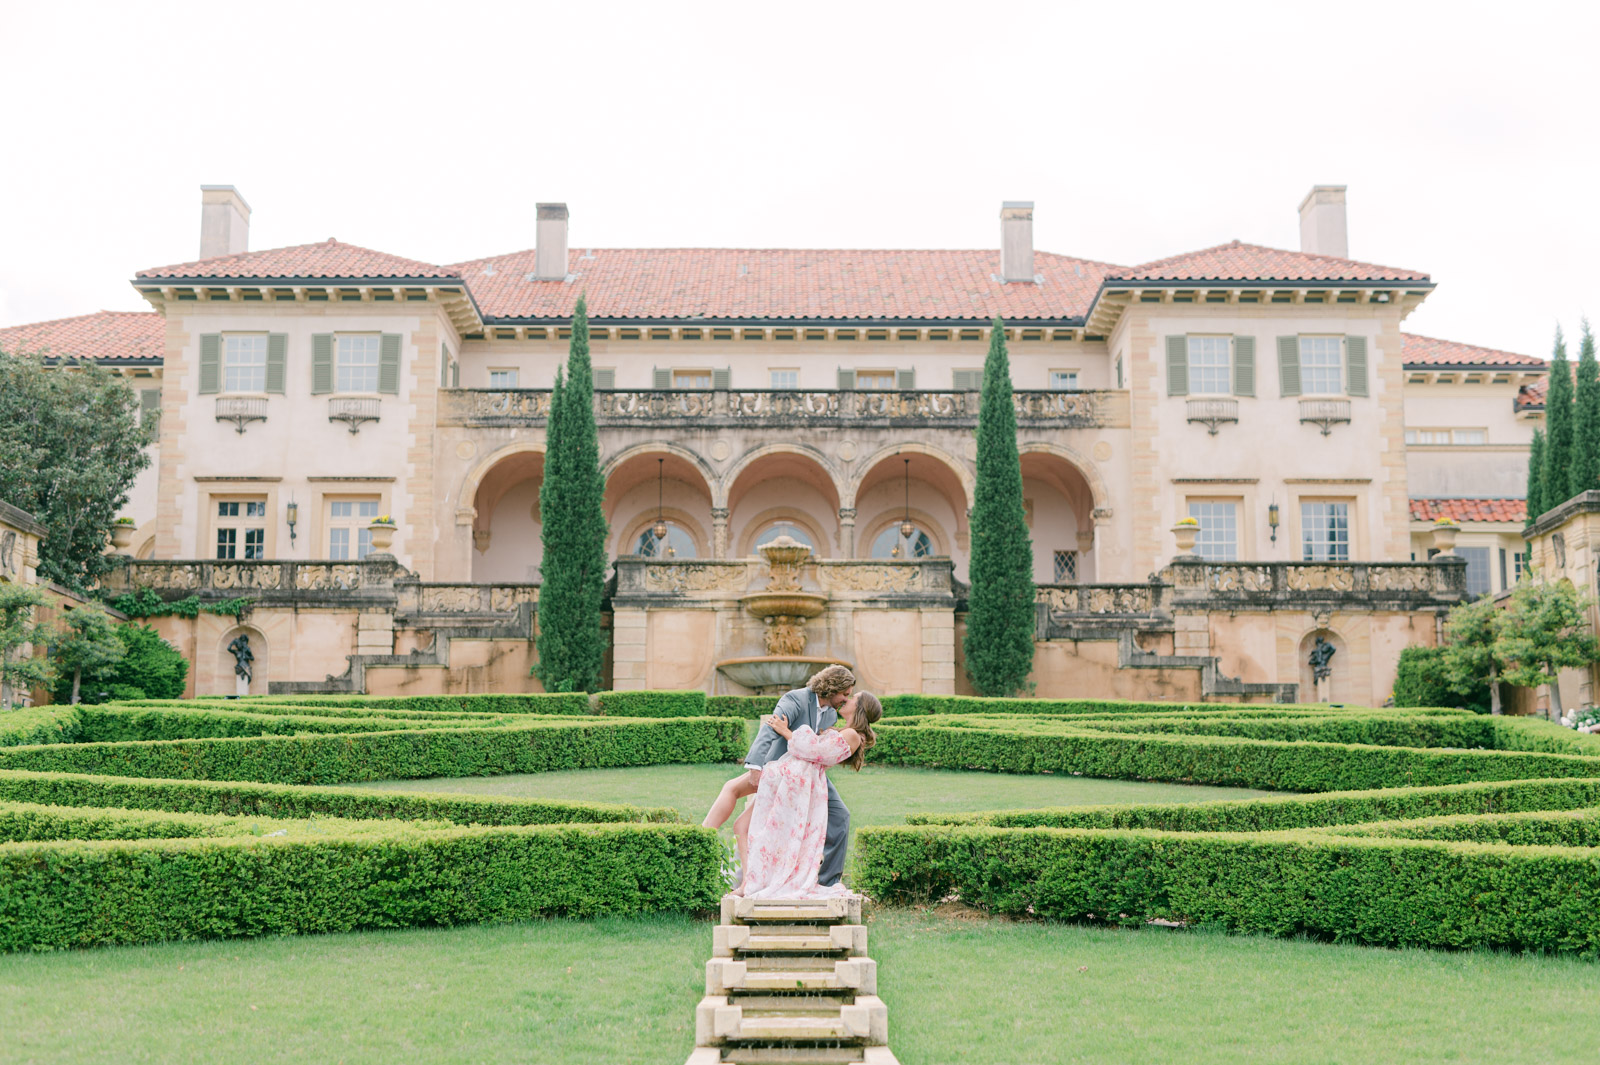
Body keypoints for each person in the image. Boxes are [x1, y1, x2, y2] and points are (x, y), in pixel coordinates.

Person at [701, 664, 856, 883]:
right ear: (832, 688)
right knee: (734, 793)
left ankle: (827, 880)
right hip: (778, 770)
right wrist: (755, 765)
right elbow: (769, 729)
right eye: (845, 694)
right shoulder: (796, 699)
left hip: (806, 776)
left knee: (841, 816)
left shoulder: (831, 715)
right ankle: (701, 838)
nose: (846, 700)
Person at [734, 689, 881, 898]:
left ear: (860, 708)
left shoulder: (851, 735)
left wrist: (785, 731)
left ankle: (763, 881)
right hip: (795, 780)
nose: (847, 699)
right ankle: (757, 879)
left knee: (771, 829)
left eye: (853, 698)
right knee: (767, 829)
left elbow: (815, 751)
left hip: (797, 782)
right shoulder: (844, 731)